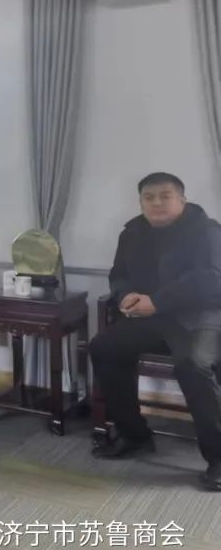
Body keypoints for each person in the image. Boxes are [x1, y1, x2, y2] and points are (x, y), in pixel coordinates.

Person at [89, 172, 221, 491]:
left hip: (198, 315)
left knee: (192, 363)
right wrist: (125, 296)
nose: (157, 203)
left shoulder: (207, 230)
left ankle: (218, 457)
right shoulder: (132, 232)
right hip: (151, 316)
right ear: (141, 203)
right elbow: (118, 275)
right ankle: (135, 436)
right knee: (103, 347)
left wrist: (157, 301)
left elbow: (211, 279)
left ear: (182, 199)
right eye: (149, 197)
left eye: (165, 196)